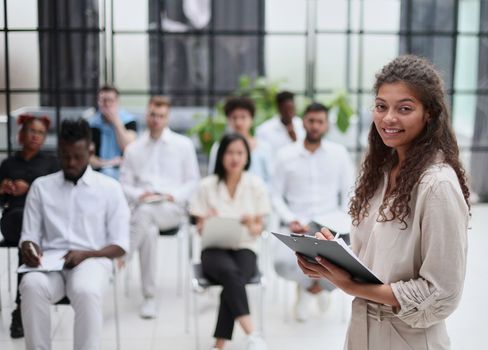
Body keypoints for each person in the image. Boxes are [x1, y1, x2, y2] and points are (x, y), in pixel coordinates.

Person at [297, 55, 470, 349]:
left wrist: (352, 286)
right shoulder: (379, 174)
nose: (388, 118)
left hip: (409, 340)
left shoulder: (437, 185)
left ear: (429, 113)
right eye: (381, 106)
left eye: (404, 108)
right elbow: (379, 262)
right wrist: (334, 259)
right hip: (362, 333)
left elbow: (441, 294)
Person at [19, 118, 130, 350]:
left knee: (85, 290)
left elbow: (120, 244)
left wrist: (86, 254)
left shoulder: (109, 189)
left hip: (93, 261)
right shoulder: (41, 187)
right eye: (65, 155)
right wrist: (28, 247)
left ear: (90, 151)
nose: (70, 162)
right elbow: (28, 235)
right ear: (58, 150)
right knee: (30, 284)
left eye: (77, 156)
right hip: (49, 263)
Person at [272, 102, 355, 322]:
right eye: (311, 121)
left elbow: (350, 194)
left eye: (320, 122)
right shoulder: (285, 155)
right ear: (303, 122)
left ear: (326, 125)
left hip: (332, 224)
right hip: (298, 223)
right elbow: (276, 196)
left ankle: (316, 289)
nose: (315, 126)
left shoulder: (339, 154)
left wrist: (344, 221)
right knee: (281, 264)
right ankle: (314, 285)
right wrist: (291, 219)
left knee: (353, 261)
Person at [120, 96, 200, 319]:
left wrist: (172, 195)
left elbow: (193, 181)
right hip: (144, 207)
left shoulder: (182, 145)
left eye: (161, 116)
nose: (156, 120)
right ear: (147, 115)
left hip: (172, 208)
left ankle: (120, 258)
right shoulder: (133, 149)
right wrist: (140, 194)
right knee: (149, 229)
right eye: (153, 115)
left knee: (145, 215)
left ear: (168, 118)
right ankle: (149, 296)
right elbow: (124, 184)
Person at [190, 133, 270, 350]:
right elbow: (198, 227)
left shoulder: (256, 185)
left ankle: (219, 345)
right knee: (230, 275)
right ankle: (253, 334)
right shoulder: (207, 185)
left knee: (231, 280)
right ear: (221, 156)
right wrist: (207, 220)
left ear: (247, 157)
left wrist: (250, 221)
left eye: (240, 153)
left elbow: (258, 229)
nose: (235, 157)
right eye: (230, 152)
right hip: (213, 249)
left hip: (244, 247)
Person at [0, 114, 59, 339]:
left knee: (28, 242)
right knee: (25, 231)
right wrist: (3, 189)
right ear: (21, 134)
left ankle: (21, 308)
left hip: (42, 222)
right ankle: (22, 307)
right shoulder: (7, 164)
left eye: (41, 133)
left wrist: (31, 187)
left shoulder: (52, 163)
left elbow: (57, 197)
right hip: (13, 219)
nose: (36, 136)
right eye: (32, 131)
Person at [208, 96, 272, 185]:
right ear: (228, 120)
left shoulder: (264, 147)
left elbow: (271, 180)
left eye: (243, 117)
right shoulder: (218, 147)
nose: (238, 123)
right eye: (234, 118)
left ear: (252, 119)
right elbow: (213, 175)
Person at [89, 84, 137, 179]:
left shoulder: (129, 121)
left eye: (110, 100)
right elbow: (89, 158)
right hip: (99, 174)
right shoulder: (92, 124)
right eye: (103, 100)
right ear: (98, 102)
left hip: (124, 173)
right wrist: (109, 163)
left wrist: (116, 122)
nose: (107, 104)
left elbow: (129, 148)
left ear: (117, 102)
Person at [255, 90, 305, 155]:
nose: (289, 114)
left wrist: (294, 139)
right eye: (286, 110)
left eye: (291, 109)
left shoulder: (303, 126)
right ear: (278, 108)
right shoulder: (264, 130)